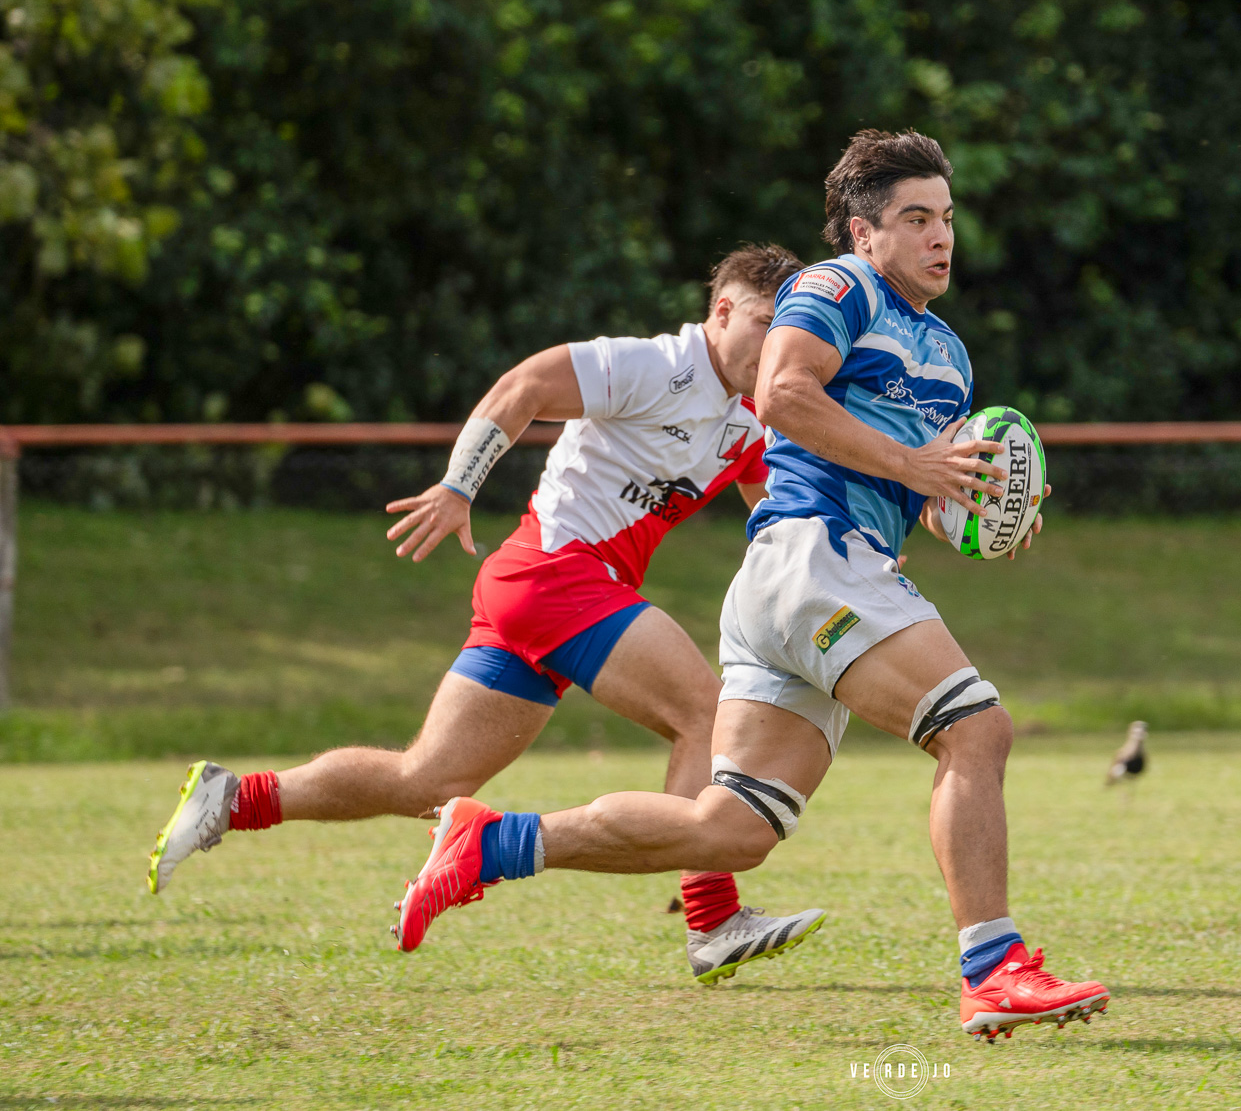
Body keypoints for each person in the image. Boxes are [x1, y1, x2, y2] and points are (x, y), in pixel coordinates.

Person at [380, 130, 1110, 1042]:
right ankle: (994, 969)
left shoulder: (949, 355)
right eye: (916, 218)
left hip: (812, 575)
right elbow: (784, 396)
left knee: (731, 829)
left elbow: (921, 479)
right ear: (862, 231)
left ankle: (490, 842)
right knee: (976, 727)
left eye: (948, 218)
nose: (940, 237)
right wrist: (916, 469)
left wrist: (979, 507)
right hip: (814, 558)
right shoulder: (837, 289)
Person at [147, 243, 827, 985]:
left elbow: (777, 512)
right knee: (703, 710)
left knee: (423, 781)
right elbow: (525, 383)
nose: (773, 343)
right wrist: (458, 485)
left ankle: (228, 799)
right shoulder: (655, 364)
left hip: (543, 594)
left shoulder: (749, 417)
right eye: (763, 322)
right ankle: (712, 915)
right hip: (554, 576)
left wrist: (832, 564)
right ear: (721, 312)